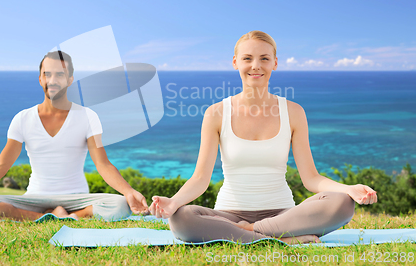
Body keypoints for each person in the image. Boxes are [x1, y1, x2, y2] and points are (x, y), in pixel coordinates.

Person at [149, 31, 377, 244]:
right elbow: (200, 179)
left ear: (275, 63)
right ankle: (281, 238)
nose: (255, 66)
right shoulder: (216, 113)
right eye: (247, 58)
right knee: (182, 219)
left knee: (342, 203)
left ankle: (251, 235)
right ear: (235, 62)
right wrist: (174, 202)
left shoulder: (294, 112)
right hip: (229, 214)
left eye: (264, 59)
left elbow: (311, 179)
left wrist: (348, 188)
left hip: (284, 214)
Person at [0, 51, 148, 222]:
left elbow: (103, 165)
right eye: (47, 74)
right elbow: (1, 165)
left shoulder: (87, 116)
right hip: (34, 197)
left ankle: (68, 215)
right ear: (40, 78)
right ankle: (49, 217)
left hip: (77, 197)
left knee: (120, 204)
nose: (52, 80)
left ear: (69, 79)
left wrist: (129, 191)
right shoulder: (22, 118)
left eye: (59, 75)